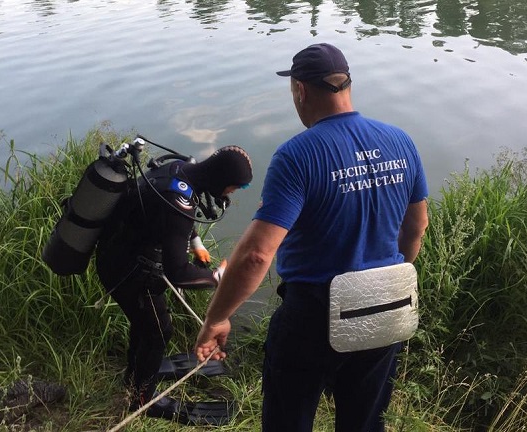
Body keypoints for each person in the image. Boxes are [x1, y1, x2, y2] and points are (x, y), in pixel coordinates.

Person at [195, 43, 429, 431]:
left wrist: (217, 317)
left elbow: (256, 255)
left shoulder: (297, 155)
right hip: (386, 305)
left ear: (300, 90)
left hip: (315, 313)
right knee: (365, 422)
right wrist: (388, 277)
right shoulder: (401, 141)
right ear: (346, 84)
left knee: (289, 419)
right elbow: (416, 228)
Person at [95, 145, 253, 412]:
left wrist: (197, 243)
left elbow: (171, 219)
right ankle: (143, 399)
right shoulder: (179, 201)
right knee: (159, 331)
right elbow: (177, 273)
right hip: (127, 271)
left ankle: (134, 379)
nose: (233, 193)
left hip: (115, 255)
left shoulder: (180, 169)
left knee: (144, 323)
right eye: (235, 187)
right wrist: (219, 278)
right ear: (221, 179)